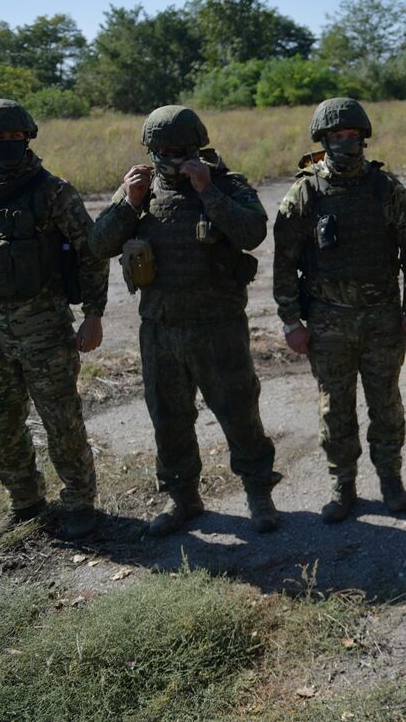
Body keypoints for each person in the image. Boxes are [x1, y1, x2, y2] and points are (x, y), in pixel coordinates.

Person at [90, 105, 280, 535]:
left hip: (218, 326)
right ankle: (183, 499)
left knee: (238, 411)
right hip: (160, 328)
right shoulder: (139, 190)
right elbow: (98, 244)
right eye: (162, 150)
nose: (172, 157)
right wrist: (129, 202)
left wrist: (207, 190)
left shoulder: (227, 184)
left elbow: (252, 233)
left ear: (198, 147)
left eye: (180, 149)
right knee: (168, 416)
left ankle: (258, 493)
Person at [0, 99, 107, 540]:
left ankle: (79, 501)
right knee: (1, 423)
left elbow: (92, 254)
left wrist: (93, 315)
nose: (7, 144)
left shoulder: (54, 192)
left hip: (46, 332)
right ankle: (25, 502)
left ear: (28, 136)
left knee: (62, 419)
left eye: (15, 137)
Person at [273, 98, 406, 522]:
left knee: (386, 404)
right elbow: (284, 260)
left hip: (382, 320)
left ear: (363, 138)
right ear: (323, 141)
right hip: (327, 321)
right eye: (336, 137)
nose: (345, 144)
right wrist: (291, 320)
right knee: (334, 407)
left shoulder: (386, 189)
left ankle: (391, 481)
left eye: (352, 136)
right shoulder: (304, 192)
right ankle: (343, 485)